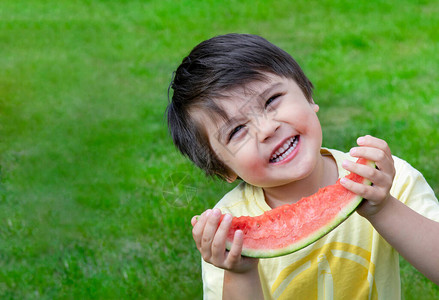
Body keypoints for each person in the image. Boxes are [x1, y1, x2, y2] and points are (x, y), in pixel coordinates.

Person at [166, 33, 439, 299]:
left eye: (271, 101)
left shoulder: (383, 179)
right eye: (237, 130)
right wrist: (240, 272)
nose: (267, 129)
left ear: (309, 95)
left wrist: (385, 208)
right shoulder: (226, 231)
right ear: (223, 169)